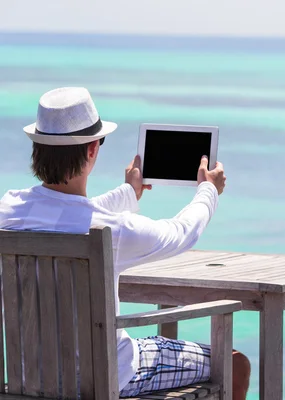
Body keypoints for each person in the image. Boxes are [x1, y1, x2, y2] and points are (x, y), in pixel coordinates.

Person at [0, 87, 251, 399]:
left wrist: (128, 192)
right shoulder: (112, 231)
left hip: (30, 379)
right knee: (236, 364)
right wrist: (208, 190)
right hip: (110, 377)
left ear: (37, 148)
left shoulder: (8, 210)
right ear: (92, 149)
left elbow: (64, 212)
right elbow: (182, 233)